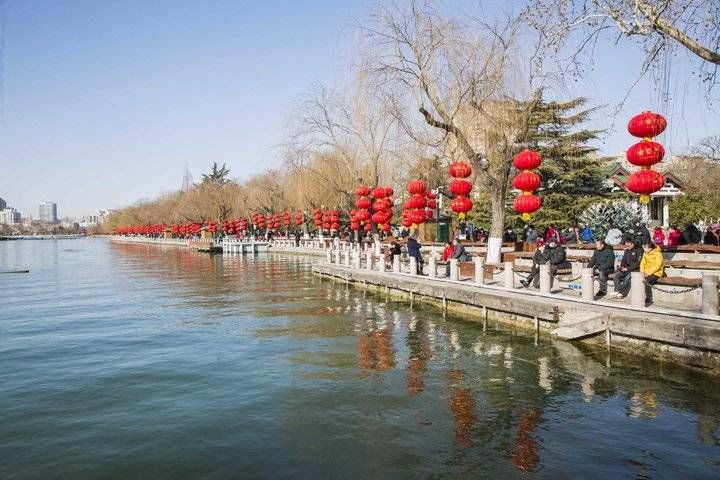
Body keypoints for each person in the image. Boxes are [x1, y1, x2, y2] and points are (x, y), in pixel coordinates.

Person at [640, 241, 665, 306]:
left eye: (645, 247)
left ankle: (649, 298)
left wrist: (648, 273)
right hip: (646, 272)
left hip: (656, 273)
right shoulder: (645, 253)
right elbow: (642, 263)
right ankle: (639, 296)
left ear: (650, 248)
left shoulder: (658, 254)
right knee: (638, 280)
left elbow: (658, 265)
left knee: (646, 281)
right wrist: (642, 272)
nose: (644, 249)